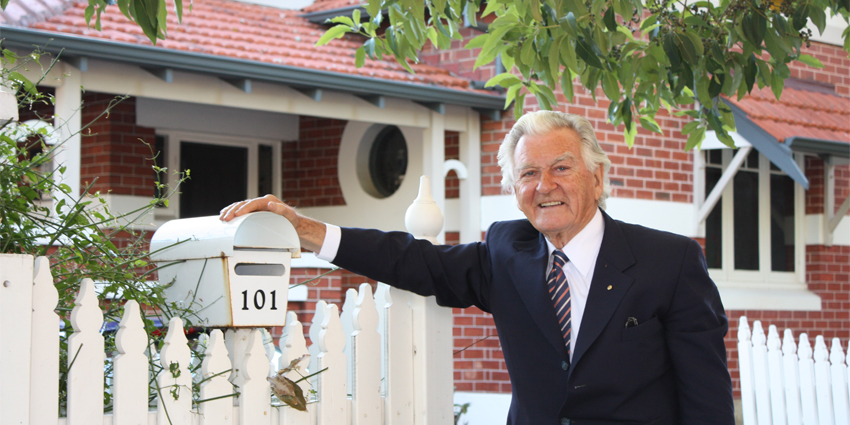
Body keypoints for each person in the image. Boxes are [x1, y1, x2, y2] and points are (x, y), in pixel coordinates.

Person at [220, 111, 734, 425]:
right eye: (528, 173)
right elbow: (415, 260)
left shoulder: (670, 261)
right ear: (515, 192)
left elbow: (707, 402)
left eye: (561, 167)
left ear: (596, 177)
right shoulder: (507, 251)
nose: (544, 185)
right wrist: (307, 230)